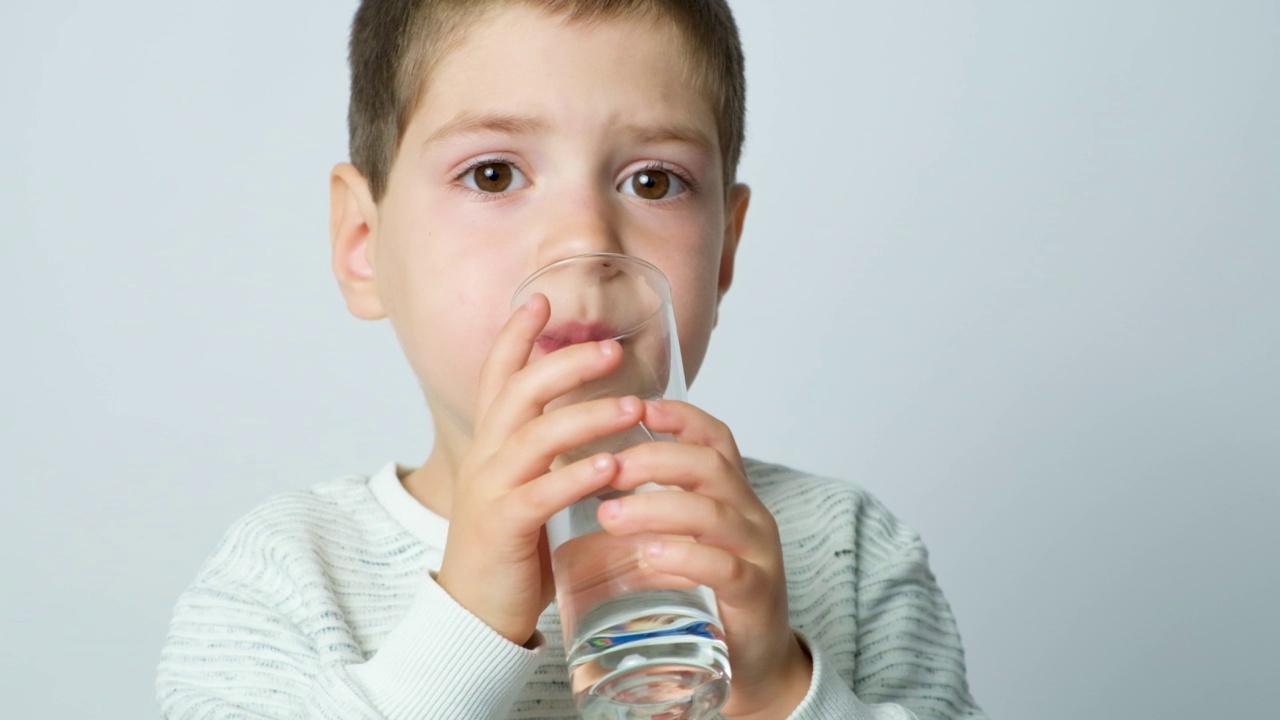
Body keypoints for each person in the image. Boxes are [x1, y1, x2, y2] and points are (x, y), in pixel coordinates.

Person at [156, 1, 987, 718]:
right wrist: (466, 625)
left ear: (724, 253)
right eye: (493, 173)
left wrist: (777, 691)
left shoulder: (844, 550)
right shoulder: (289, 575)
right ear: (364, 244)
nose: (586, 242)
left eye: (653, 182)